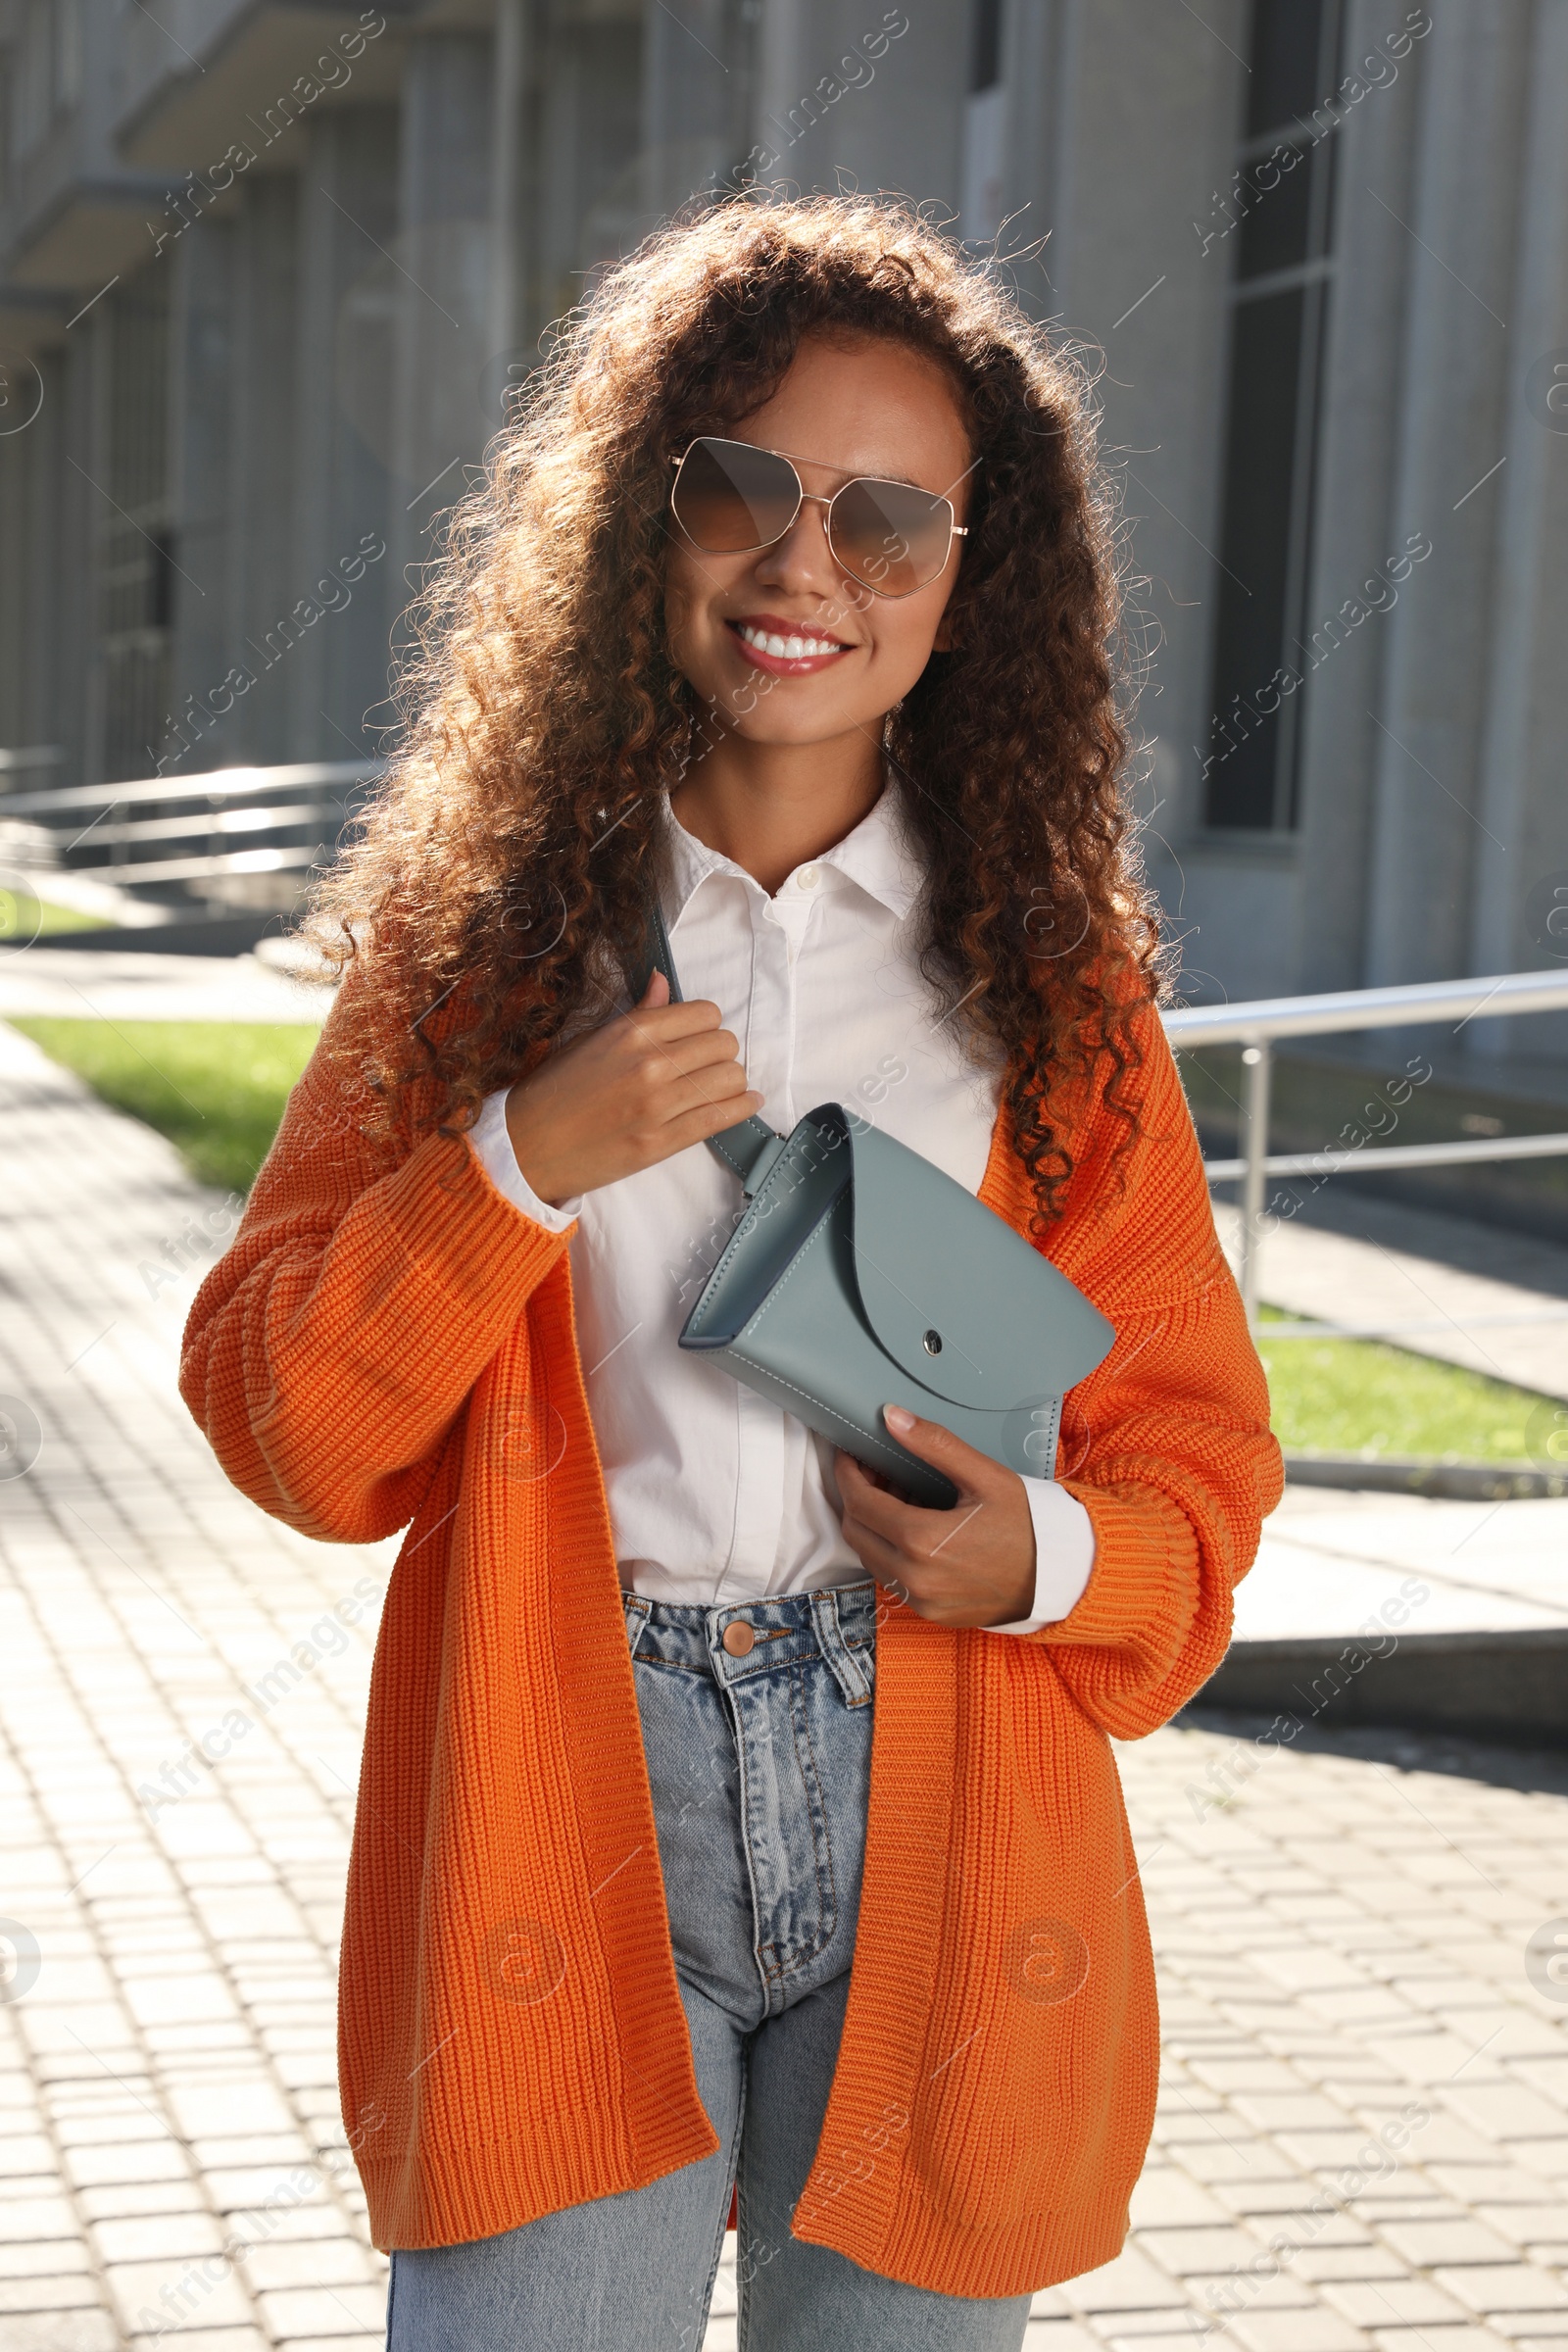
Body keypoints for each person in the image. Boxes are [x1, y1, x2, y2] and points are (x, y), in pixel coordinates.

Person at [181, 195, 1281, 2351]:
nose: (804, 568)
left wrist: (1043, 1557)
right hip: (561, 1788)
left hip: (944, 1818)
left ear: (971, 586)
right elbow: (294, 1426)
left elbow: (1201, 1472)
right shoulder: (473, 962)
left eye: (887, 522)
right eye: (741, 489)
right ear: (643, 514)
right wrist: (517, 1158)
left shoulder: (1050, 997)